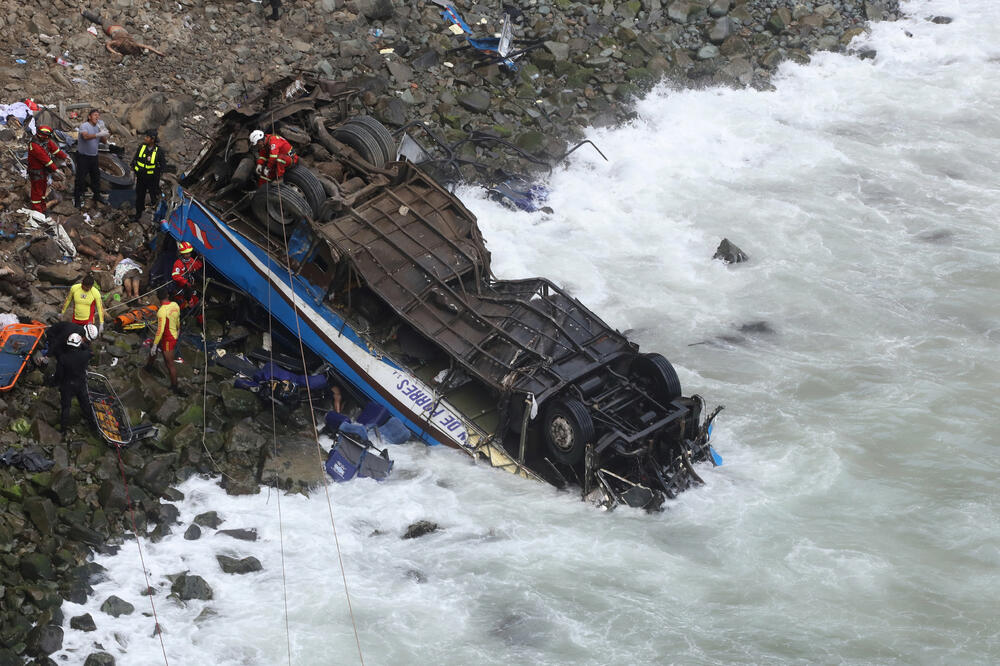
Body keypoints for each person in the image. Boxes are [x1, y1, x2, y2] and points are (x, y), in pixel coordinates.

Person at [55, 332, 96, 436]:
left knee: (66, 407)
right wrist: (83, 344)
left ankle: (63, 430)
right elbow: (91, 352)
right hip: (80, 383)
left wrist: (56, 382)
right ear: (79, 344)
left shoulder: (63, 358)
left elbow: (59, 374)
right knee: (85, 405)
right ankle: (93, 426)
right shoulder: (84, 355)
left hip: (67, 384)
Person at [144, 287, 184, 395]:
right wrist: (178, 329)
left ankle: (175, 386)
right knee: (153, 344)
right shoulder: (175, 305)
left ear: (158, 299)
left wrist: (155, 345)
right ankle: (148, 367)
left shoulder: (161, 311)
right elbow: (178, 320)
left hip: (168, 338)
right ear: (167, 296)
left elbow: (160, 331)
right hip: (173, 334)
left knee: (169, 363)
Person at [27, 126, 69, 212]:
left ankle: (42, 208)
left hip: (43, 171)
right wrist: (56, 170)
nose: (46, 139)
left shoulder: (46, 141)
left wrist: (65, 157)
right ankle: (36, 210)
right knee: (37, 192)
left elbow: (55, 150)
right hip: (36, 172)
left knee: (42, 191)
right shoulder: (34, 145)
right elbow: (46, 160)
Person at [73, 109, 108, 208]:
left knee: (96, 177)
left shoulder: (98, 126)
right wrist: (97, 134)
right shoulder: (84, 126)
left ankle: (97, 196)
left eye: (98, 115)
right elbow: (85, 137)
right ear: (89, 117)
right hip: (83, 156)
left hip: (94, 156)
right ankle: (77, 199)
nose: (97, 117)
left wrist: (103, 131)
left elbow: (104, 141)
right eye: (95, 115)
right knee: (80, 178)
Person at [130, 129, 166, 223]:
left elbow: (162, 166)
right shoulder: (142, 147)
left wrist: (157, 175)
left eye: (147, 137)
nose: (145, 138)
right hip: (141, 177)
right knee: (139, 195)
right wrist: (133, 168)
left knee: (153, 196)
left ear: (152, 139)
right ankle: (138, 214)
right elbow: (135, 159)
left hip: (152, 179)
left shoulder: (159, 151)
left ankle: (157, 215)